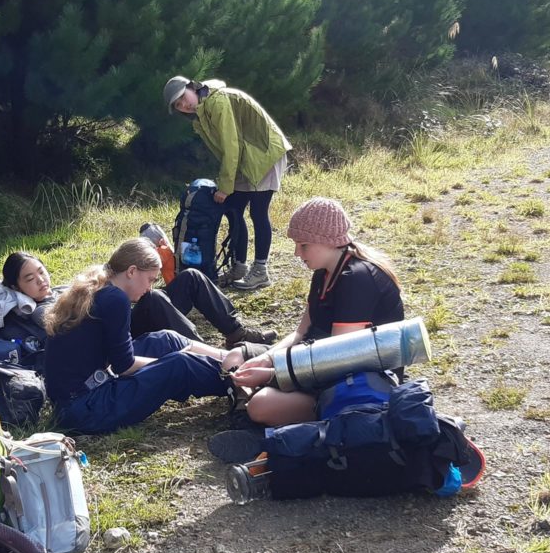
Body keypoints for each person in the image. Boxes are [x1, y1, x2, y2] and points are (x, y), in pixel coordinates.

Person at [218, 197, 404, 429]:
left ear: (327, 241)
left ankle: (274, 412)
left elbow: (339, 357)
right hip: (310, 358)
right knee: (234, 358)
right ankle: (257, 407)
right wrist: (265, 359)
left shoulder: (357, 278)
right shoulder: (322, 273)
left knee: (261, 406)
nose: (297, 253)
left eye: (303, 245)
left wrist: (272, 375)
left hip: (350, 379)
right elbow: (300, 333)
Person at [43, 239, 237, 435]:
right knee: (179, 364)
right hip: (87, 408)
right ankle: (241, 382)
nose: (150, 288)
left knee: (165, 339)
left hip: (79, 398)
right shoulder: (115, 299)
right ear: (132, 271)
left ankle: (232, 358)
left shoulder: (102, 286)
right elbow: (124, 366)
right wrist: (165, 362)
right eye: (150, 279)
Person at [0, 250, 274, 359]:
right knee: (155, 298)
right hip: (118, 334)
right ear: (17, 287)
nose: (40, 280)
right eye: (30, 279)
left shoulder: (55, 290)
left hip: (124, 314)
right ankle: (211, 357)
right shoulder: (35, 310)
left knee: (192, 278)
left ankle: (235, 332)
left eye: (41, 271)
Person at [163, 75, 291, 290]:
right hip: (244, 158)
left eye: (182, 98)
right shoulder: (202, 114)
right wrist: (227, 181)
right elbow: (228, 150)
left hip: (264, 155)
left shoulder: (217, 101)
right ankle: (238, 266)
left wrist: (225, 185)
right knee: (233, 210)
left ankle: (260, 271)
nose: (183, 105)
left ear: (192, 87)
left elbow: (232, 146)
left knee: (258, 213)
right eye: (178, 105)